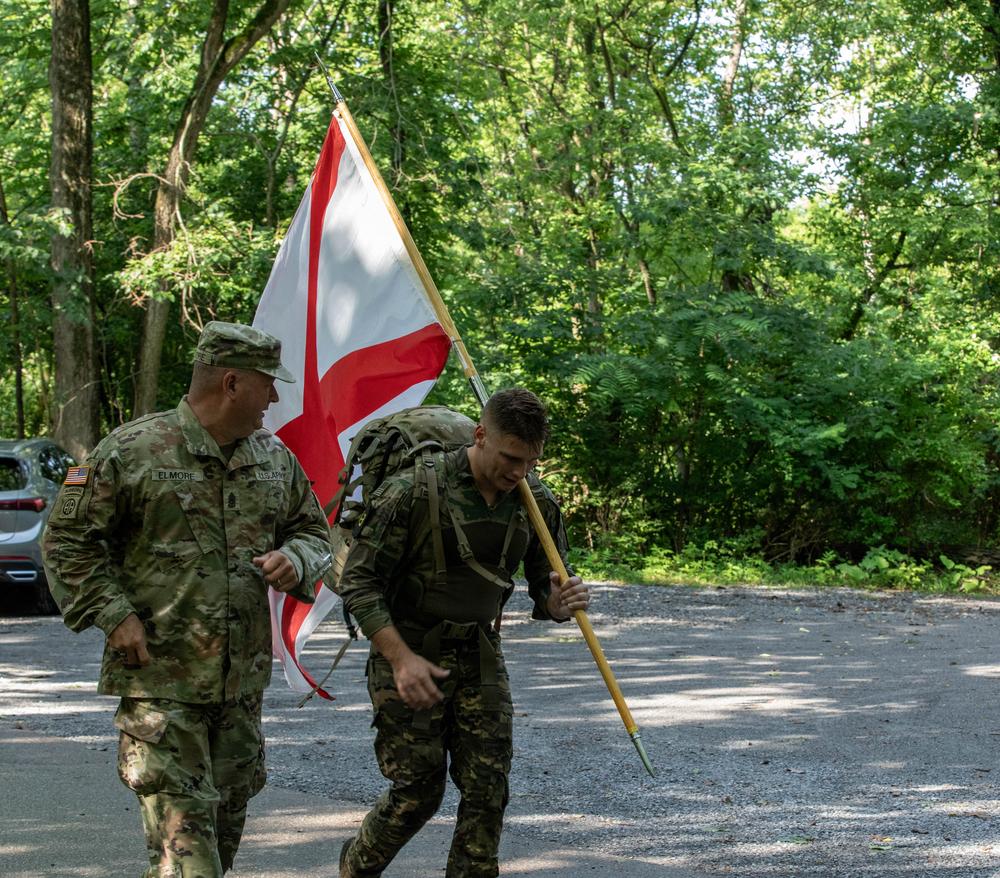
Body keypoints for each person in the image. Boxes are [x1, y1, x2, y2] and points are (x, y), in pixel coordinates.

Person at [42, 321, 333, 877]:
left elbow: (318, 535)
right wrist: (114, 613)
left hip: (239, 690)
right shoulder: (133, 452)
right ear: (231, 383)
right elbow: (68, 543)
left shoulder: (274, 460)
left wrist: (295, 558)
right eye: (267, 383)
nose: (275, 396)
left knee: (217, 847)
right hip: (161, 687)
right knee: (190, 862)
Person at [336, 387, 590, 878]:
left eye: (530, 461)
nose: (518, 472)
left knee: (487, 786)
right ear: (480, 436)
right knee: (418, 791)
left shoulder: (534, 500)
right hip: (407, 647)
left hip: (478, 652)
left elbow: (547, 583)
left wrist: (558, 604)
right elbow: (359, 582)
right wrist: (400, 658)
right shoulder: (412, 491)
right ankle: (357, 866)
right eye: (510, 457)